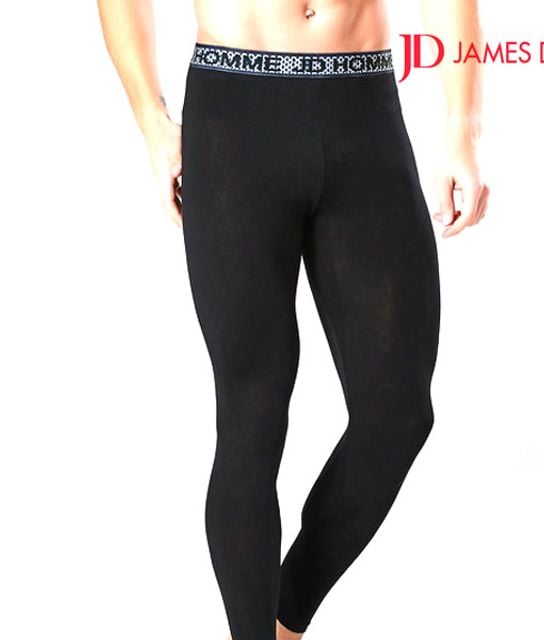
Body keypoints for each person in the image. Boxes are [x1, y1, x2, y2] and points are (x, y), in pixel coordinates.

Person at [97, 1, 489, 639]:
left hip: (363, 110)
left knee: (398, 415)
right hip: (235, 116)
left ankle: (285, 621)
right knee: (251, 416)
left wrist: (461, 127)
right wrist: (151, 119)